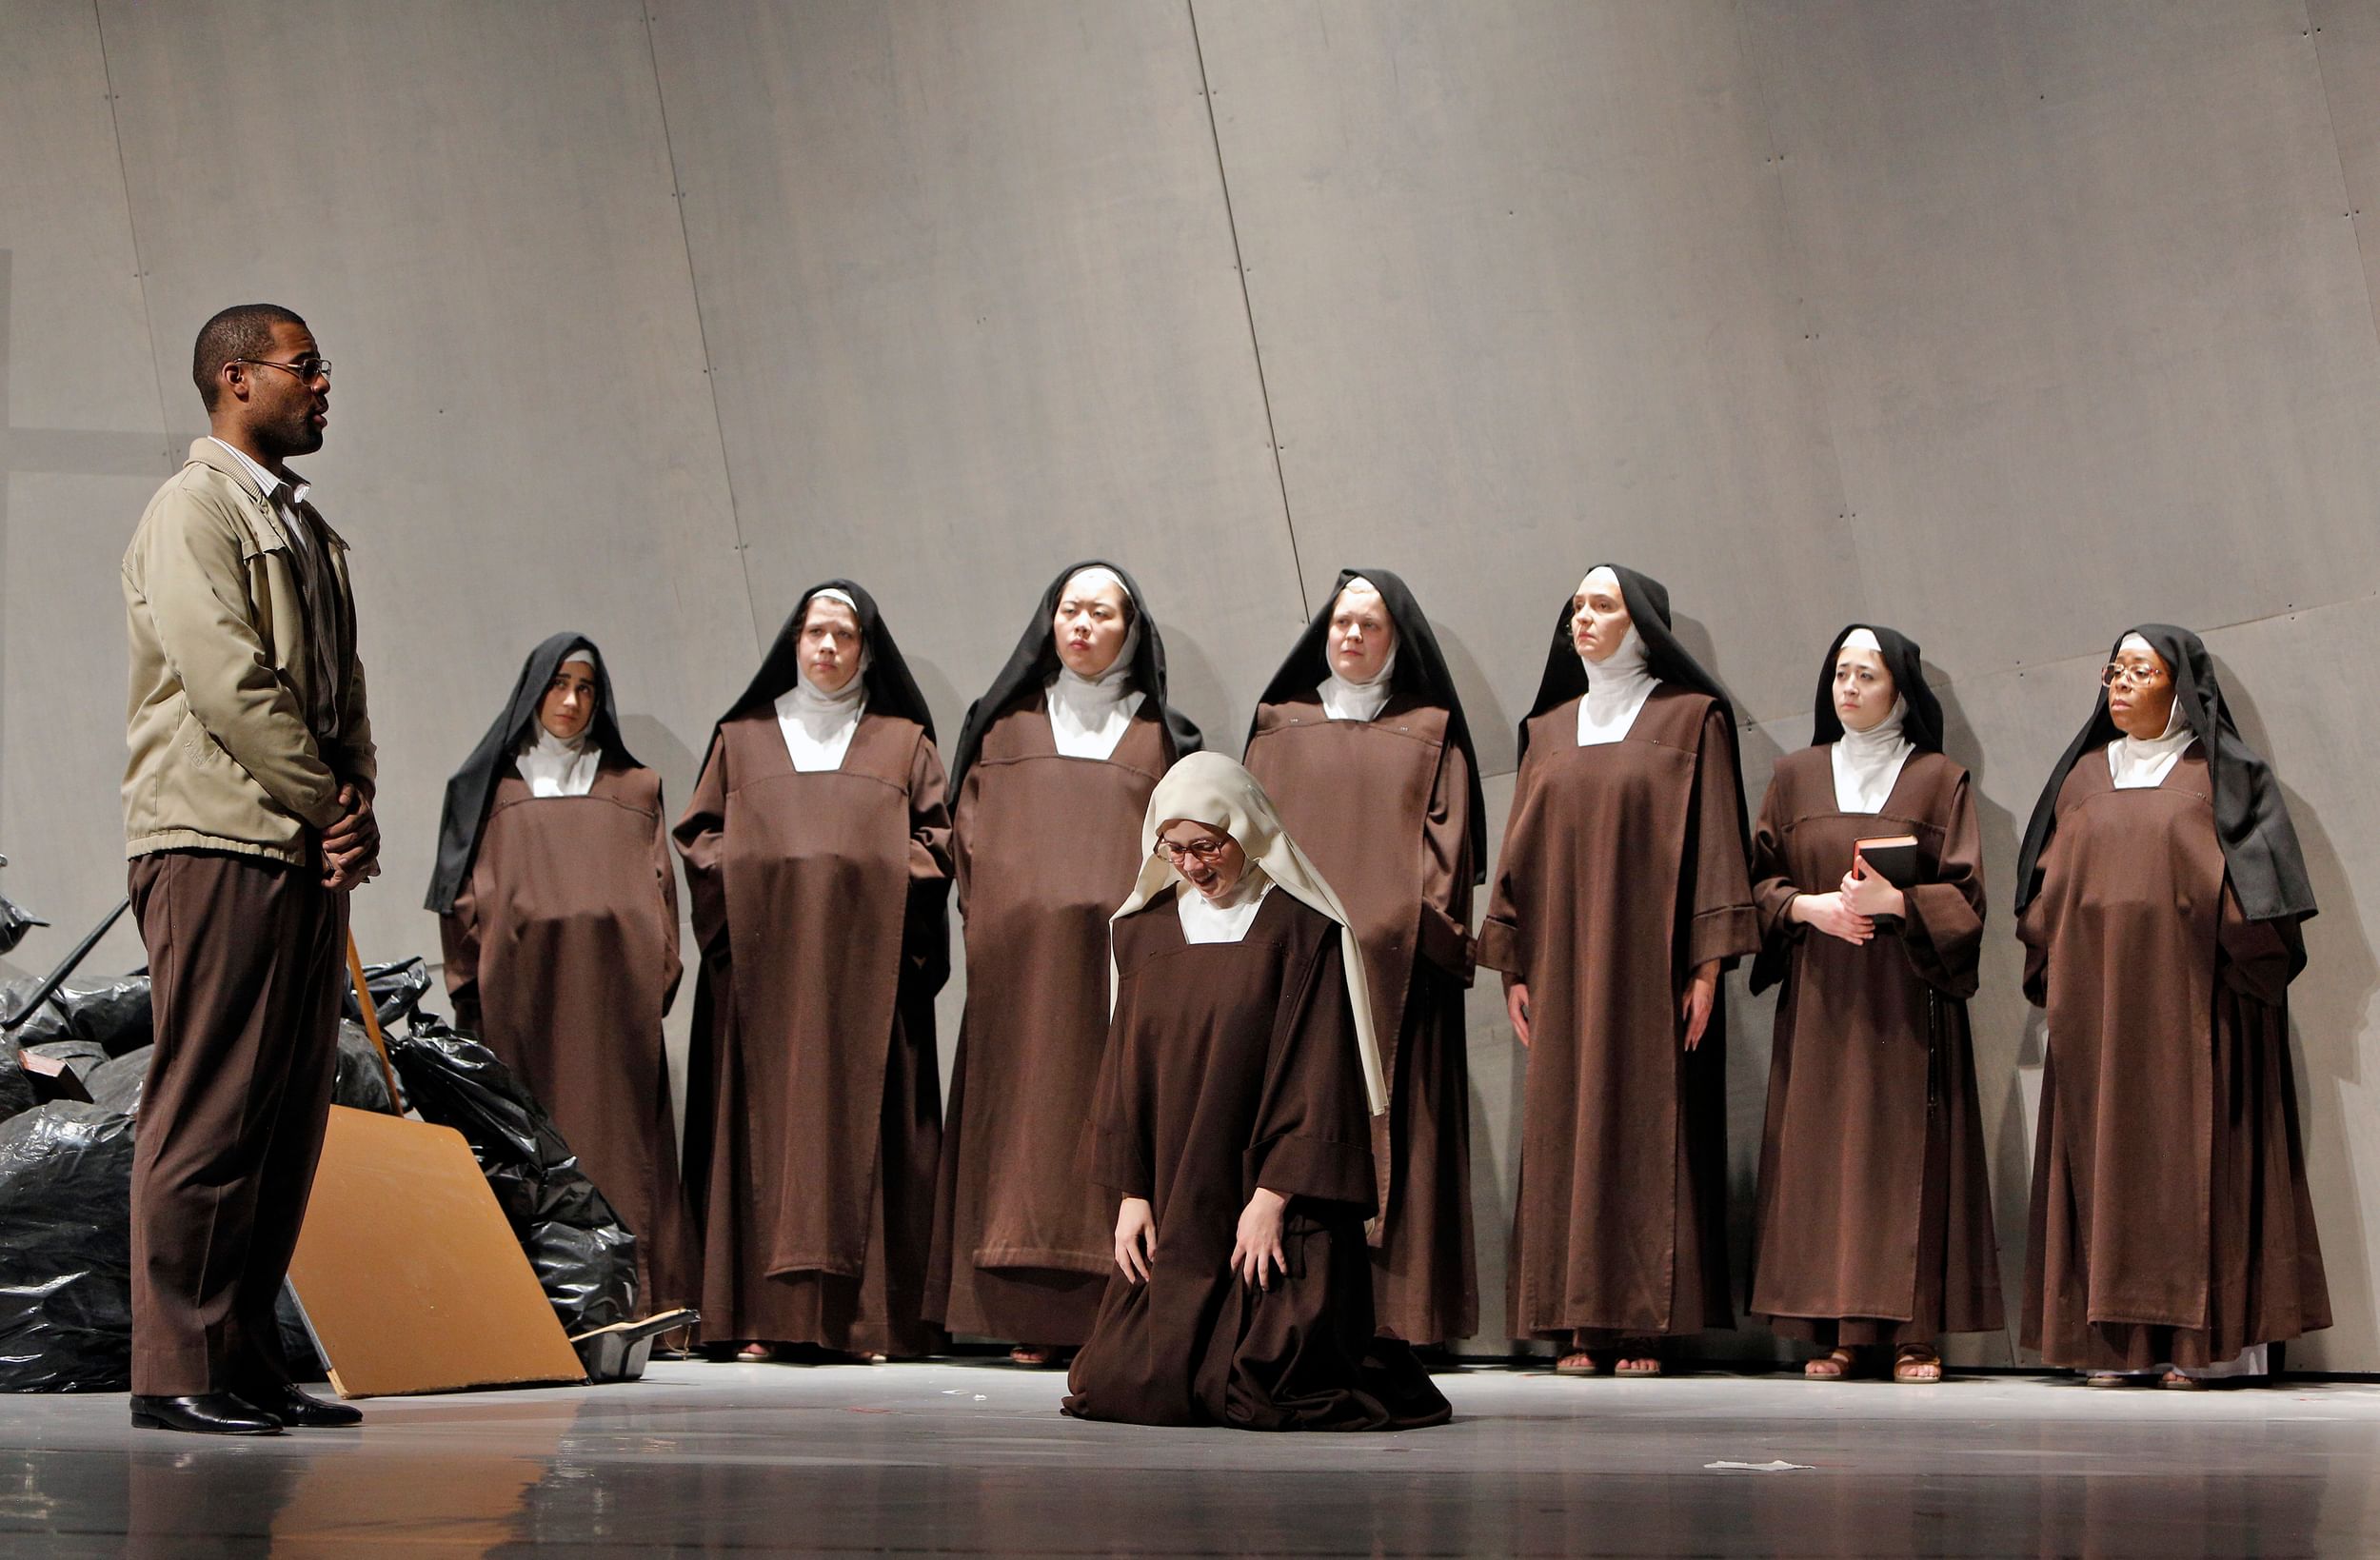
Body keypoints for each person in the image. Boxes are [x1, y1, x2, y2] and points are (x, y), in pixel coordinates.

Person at [120, 303, 376, 1433]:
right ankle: (177, 1367)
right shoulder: (194, 510)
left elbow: (343, 687)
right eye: (306, 367)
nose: (325, 386)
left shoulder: (305, 527)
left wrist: (355, 802)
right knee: (209, 1107)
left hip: (298, 844)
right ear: (236, 378)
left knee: (281, 1115)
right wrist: (326, 802)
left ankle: (241, 1356)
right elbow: (226, 681)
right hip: (217, 839)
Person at [1062, 753, 1451, 1430]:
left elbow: (1319, 1076)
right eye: (1173, 848)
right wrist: (1131, 1192)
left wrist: (1271, 1198)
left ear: (1245, 831)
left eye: (1207, 847)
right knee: (1124, 1384)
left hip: (1273, 1201)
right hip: (1180, 1193)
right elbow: (1123, 1070)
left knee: (1264, 1387)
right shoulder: (1141, 932)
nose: (1190, 865)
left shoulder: (1303, 932)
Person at [2015, 625, 2329, 1387]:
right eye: (2113, 670)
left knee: (2196, 1165)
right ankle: (2113, 1346)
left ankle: (2203, 1347)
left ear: (2181, 685)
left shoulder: (2223, 775)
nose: (2119, 682)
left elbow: (2265, 904)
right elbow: (2044, 896)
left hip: (2199, 1009)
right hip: (2098, 1015)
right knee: (2102, 1165)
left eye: (2138, 669)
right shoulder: (2083, 780)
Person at [1477, 564, 1756, 1377]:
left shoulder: (1689, 718)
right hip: (1562, 962)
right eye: (1577, 607)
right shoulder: (1548, 730)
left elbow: (1714, 845)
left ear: (1643, 624)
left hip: (1650, 961)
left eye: (1603, 605)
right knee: (1566, 1125)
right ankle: (1576, 1319)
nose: (1584, 619)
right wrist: (1515, 965)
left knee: (1645, 1123)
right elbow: (1520, 855)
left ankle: (1642, 1322)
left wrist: (1706, 965)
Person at [927, 562, 1201, 1366]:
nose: (1082, 626)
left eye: (1101, 613)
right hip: (1021, 973)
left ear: (1130, 630)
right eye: (1069, 610)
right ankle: (1021, 1310)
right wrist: (1002, 917)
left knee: (1112, 1120)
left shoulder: (1163, 739)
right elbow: (967, 836)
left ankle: (1110, 1305)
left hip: (1121, 975)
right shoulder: (1002, 728)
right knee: (1018, 1125)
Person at [675, 583, 953, 1361]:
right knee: (762, 1133)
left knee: (868, 1123)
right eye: (814, 633)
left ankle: (870, 1323)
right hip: (765, 973)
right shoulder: (742, 738)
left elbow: (937, 843)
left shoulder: (905, 742)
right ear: (793, 642)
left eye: (845, 635)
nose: (827, 648)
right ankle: (760, 1318)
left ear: (867, 649)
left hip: (869, 974)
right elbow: (701, 837)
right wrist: (776, 881)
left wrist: (851, 878)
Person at [1744, 625, 2002, 1383]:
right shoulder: (1793, 777)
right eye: (1840, 675)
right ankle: (1837, 1329)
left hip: (1905, 1000)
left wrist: (1900, 899)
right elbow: (1754, 883)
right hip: (1823, 998)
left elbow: (1969, 898)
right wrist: (1806, 909)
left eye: (1866, 675)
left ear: (1901, 691)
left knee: (1901, 1158)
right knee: (1825, 1159)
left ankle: (1912, 1331)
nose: (1849, 688)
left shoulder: (1936, 780)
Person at [1240, 569, 1482, 1351]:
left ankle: (1398, 1317)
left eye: (1369, 625)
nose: (1350, 636)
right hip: (1289, 967)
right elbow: (1247, 839)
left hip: (1395, 967)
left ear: (1396, 640)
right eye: (1340, 623)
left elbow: (1448, 857)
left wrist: (1396, 929)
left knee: (1399, 1137)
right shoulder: (1278, 726)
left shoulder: (1431, 730)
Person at [427, 635, 696, 1314]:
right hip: (522, 1011)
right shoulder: (489, 787)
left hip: (614, 1011)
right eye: (559, 684)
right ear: (534, 691)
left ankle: (636, 1306)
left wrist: (652, 977)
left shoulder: (633, 789)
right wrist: (476, 986)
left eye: (586, 687)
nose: (572, 700)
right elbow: (458, 900)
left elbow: (662, 891)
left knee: (620, 1153)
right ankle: (527, 1310)